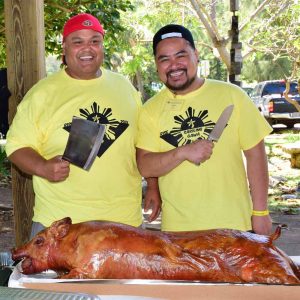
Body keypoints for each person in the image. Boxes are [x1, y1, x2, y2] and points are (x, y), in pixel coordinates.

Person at [6, 13, 160, 238]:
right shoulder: (42, 94)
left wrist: (153, 185)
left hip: (124, 222)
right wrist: (43, 167)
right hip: (60, 225)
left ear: (102, 46)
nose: (87, 48)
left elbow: (142, 144)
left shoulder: (124, 87)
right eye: (78, 42)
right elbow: (16, 147)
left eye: (94, 41)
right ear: (65, 48)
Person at [136, 24, 273, 235]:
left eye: (181, 55)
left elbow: (255, 155)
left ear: (196, 55)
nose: (174, 65)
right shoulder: (150, 110)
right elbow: (145, 166)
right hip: (180, 233)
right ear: (156, 65)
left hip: (235, 226)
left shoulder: (232, 96)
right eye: (164, 59)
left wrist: (261, 212)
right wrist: (183, 152)